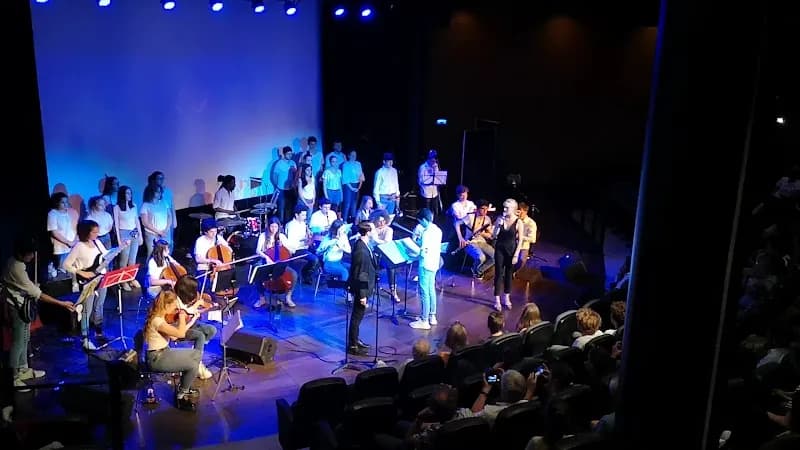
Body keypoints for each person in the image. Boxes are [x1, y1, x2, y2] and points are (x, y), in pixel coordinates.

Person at [2, 236, 75, 390]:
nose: (33, 256)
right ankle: (14, 378)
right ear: (22, 253)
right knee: (18, 343)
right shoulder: (16, 267)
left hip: (22, 306)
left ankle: (24, 370)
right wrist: (62, 304)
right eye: (30, 253)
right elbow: (39, 294)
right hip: (17, 308)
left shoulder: (17, 263)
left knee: (25, 339)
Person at [63, 220, 121, 349]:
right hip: (88, 281)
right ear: (86, 232)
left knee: (99, 305)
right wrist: (81, 272)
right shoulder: (79, 246)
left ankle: (99, 332)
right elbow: (66, 264)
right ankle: (85, 337)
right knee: (86, 310)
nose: (97, 234)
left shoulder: (98, 242)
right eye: (94, 231)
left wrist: (119, 248)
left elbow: (105, 255)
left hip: (102, 278)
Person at [143, 290, 202, 411]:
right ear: (166, 305)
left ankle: (185, 386)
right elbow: (180, 334)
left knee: (196, 355)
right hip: (156, 358)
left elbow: (174, 336)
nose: (176, 308)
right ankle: (181, 395)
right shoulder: (158, 321)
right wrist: (181, 317)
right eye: (174, 306)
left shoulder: (160, 317)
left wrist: (191, 320)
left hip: (163, 352)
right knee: (193, 365)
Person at [173, 276, 216, 380]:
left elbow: (190, 312)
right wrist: (197, 305)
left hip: (189, 323)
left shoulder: (185, 298)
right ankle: (197, 363)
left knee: (211, 330)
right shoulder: (175, 300)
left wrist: (203, 310)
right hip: (179, 328)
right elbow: (184, 311)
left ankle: (195, 352)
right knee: (200, 336)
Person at [253, 217, 299, 308]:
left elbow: (291, 250)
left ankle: (288, 297)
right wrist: (266, 257)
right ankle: (262, 298)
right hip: (266, 262)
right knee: (256, 274)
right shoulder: (263, 236)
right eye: (272, 226)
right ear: (268, 226)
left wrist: (286, 248)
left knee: (294, 274)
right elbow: (258, 251)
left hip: (279, 263)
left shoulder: (281, 236)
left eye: (276, 227)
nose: (274, 229)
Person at [410, 208, 442, 330]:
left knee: (424, 292)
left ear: (424, 219)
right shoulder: (438, 230)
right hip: (434, 263)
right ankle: (432, 316)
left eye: (420, 221)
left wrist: (413, 256)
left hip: (425, 264)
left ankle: (424, 320)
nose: (420, 224)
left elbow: (423, 251)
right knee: (431, 289)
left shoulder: (427, 232)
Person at [348, 221, 376, 356]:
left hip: (363, 287)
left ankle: (355, 340)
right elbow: (361, 275)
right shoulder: (361, 250)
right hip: (361, 289)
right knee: (356, 317)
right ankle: (353, 345)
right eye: (373, 229)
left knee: (358, 317)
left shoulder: (363, 245)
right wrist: (363, 295)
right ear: (368, 232)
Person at [492, 199, 524, 311]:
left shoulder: (518, 222)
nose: (505, 209)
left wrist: (516, 254)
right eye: (504, 207)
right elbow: (494, 235)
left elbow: (520, 240)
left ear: (514, 209)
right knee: (498, 274)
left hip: (511, 250)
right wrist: (498, 225)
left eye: (507, 208)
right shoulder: (500, 219)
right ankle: (496, 299)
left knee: (509, 274)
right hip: (500, 249)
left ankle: (506, 297)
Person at [113, 185, 144, 291]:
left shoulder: (134, 205)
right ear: (122, 194)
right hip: (123, 233)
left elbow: (137, 221)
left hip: (134, 232)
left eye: (130, 193)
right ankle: (123, 281)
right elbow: (116, 225)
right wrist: (118, 239)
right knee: (124, 259)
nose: (129, 195)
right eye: (127, 193)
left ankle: (131, 278)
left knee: (133, 259)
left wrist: (140, 235)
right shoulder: (117, 207)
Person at [340, 149, 365, 223]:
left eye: (355, 155)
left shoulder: (358, 164)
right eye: (352, 155)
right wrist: (351, 187)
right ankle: (344, 220)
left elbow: (361, 176)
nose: (354, 156)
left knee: (354, 203)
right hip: (348, 186)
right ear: (349, 156)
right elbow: (345, 178)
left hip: (357, 185)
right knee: (347, 203)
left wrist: (359, 187)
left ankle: (353, 220)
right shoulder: (345, 164)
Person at [418, 150, 442, 220]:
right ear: (429, 158)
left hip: (434, 192)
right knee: (426, 212)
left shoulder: (436, 166)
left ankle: (433, 223)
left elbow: (438, 177)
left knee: (434, 211)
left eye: (435, 159)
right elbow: (420, 181)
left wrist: (435, 170)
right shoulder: (423, 167)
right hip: (426, 193)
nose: (434, 161)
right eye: (432, 159)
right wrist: (429, 182)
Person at [515, 202, 538, 271]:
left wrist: (520, 237)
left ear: (526, 212)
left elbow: (533, 239)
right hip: (511, 245)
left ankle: (512, 273)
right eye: (517, 212)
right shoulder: (514, 219)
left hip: (522, 247)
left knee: (521, 260)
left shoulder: (531, 223)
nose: (518, 214)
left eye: (521, 212)